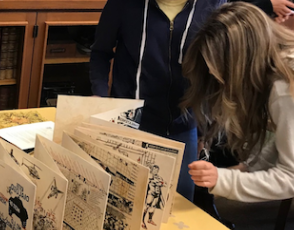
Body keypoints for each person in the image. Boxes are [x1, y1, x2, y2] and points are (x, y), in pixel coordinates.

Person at [180, 2, 294, 230]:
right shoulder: (286, 60)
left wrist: (224, 180)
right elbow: (288, 138)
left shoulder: (288, 85)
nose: (219, 80)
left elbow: (293, 179)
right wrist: (248, 169)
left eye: (220, 71)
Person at [90, 0, 227, 201]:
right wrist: (100, 96)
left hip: (183, 126)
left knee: (178, 207)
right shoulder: (123, 4)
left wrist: (204, 132)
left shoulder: (213, 5)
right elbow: (100, 52)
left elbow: (215, 71)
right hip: (130, 124)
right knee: (123, 202)